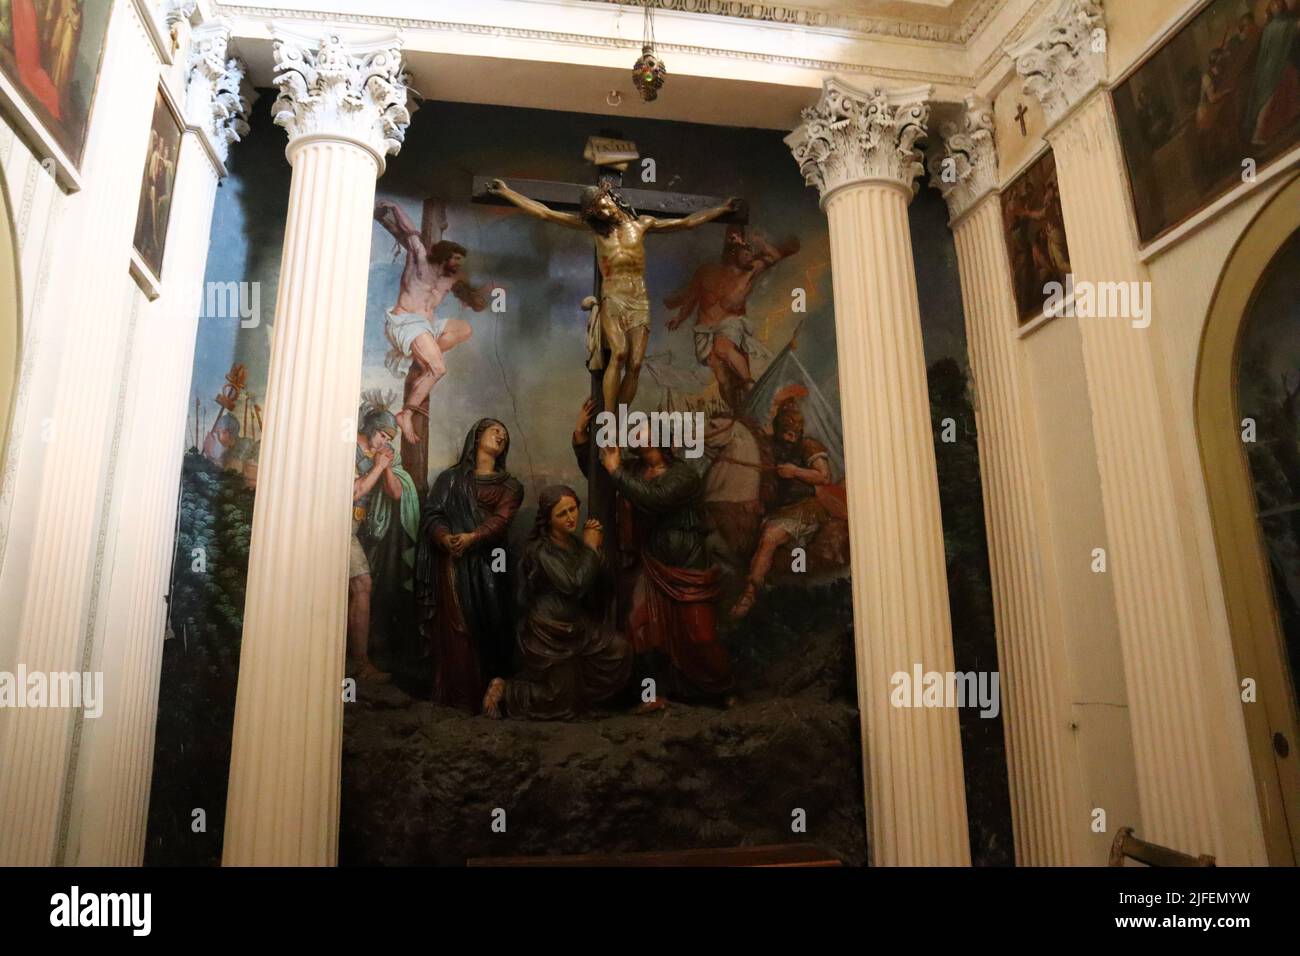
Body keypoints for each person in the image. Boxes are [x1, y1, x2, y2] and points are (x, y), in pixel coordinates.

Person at [488, 177, 738, 411]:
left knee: (636, 364)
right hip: (613, 298)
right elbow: (545, 212)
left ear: (611, 197)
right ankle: (608, 417)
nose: (602, 212)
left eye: (602, 204)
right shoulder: (597, 230)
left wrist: (722, 209)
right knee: (617, 354)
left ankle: (619, 416)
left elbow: (686, 223)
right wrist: (507, 192)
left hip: (639, 300)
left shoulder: (642, 224)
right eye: (595, 211)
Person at [598, 422, 733, 705]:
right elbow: (596, 472)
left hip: (686, 565)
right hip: (651, 563)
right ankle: (654, 694)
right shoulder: (633, 469)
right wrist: (580, 439)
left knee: (700, 635)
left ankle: (720, 691)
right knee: (640, 627)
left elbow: (654, 499)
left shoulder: (684, 475)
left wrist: (615, 470)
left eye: (644, 429)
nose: (635, 431)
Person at [482, 486, 633, 719]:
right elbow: (573, 583)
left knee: (619, 650)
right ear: (548, 519)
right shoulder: (541, 551)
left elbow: (596, 583)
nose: (571, 517)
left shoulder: (575, 545)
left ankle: (587, 700)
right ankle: (508, 690)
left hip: (578, 628)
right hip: (549, 634)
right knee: (558, 700)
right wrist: (592, 548)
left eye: (573, 509)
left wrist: (598, 557)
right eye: (562, 513)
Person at [415, 419, 523, 711]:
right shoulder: (449, 480)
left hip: (492, 565)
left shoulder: (511, 486)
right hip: (453, 566)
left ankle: (492, 691)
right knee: (457, 628)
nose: (501, 435)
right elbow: (432, 515)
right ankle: (457, 699)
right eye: (495, 430)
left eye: (505, 432)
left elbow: (501, 520)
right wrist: (445, 538)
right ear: (476, 437)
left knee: (494, 622)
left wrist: (472, 537)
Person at [373, 199, 493, 445]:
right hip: (405, 323)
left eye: (461, 259)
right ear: (445, 254)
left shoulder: (450, 279)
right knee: (438, 369)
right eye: (456, 257)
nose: (459, 263)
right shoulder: (419, 259)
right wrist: (394, 208)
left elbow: (474, 300)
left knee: (465, 329)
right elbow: (410, 232)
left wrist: (485, 296)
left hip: (426, 327)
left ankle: (425, 359)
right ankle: (405, 413)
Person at [664, 227, 798, 411]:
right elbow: (692, 298)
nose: (750, 257)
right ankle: (737, 410)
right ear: (733, 254)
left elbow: (774, 256)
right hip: (704, 328)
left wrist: (760, 242)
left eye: (751, 252)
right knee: (722, 377)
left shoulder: (751, 272)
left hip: (730, 323)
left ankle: (749, 384)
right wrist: (679, 318)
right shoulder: (707, 272)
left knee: (723, 348)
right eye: (746, 252)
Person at [731, 386, 832, 620]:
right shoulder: (771, 444)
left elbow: (823, 476)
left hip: (803, 507)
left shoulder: (808, 446)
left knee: (769, 538)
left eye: (793, 428)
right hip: (774, 507)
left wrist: (796, 471)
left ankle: (749, 594)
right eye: (786, 427)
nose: (790, 433)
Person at [350, 396, 418, 683]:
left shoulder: (380, 452)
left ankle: (358, 662)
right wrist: (378, 467)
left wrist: (387, 466)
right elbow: (352, 493)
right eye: (382, 435)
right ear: (372, 428)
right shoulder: (349, 448)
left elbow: (396, 494)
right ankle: (360, 664)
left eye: (389, 438)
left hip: (355, 530)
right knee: (362, 584)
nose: (384, 442)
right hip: (333, 526)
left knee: (359, 586)